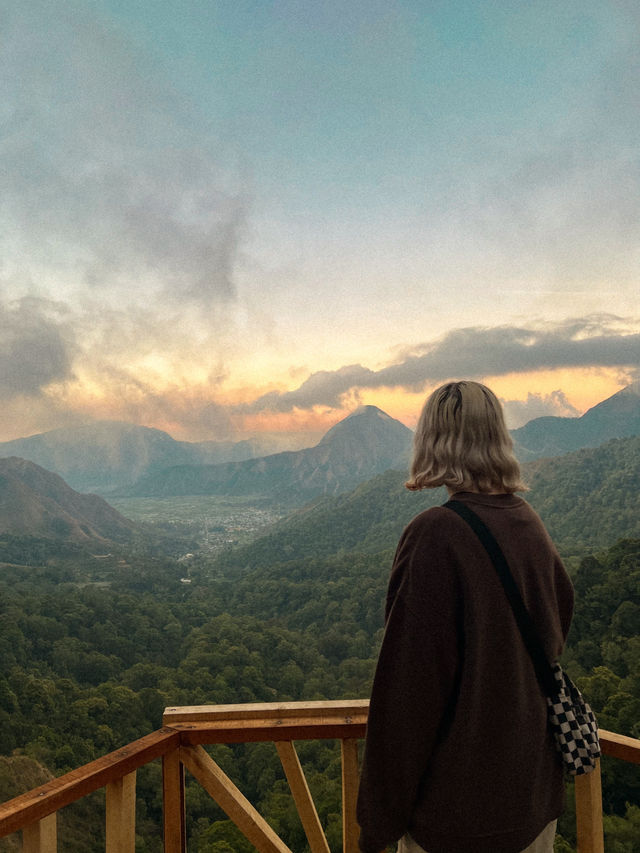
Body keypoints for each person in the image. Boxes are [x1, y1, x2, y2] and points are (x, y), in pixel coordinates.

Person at [356, 381, 574, 853]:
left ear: (431, 440)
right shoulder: (528, 522)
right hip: (534, 807)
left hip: (458, 820)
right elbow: (555, 635)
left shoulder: (436, 534)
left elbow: (408, 694)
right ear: (497, 436)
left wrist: (376, 825)